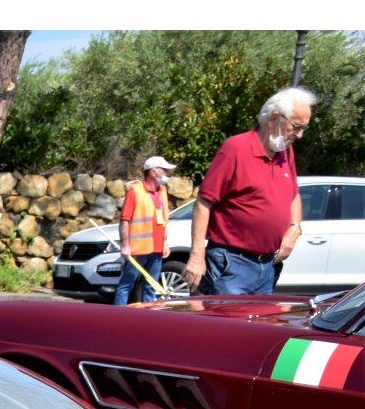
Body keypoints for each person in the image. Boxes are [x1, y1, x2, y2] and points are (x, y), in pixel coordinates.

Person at [183, 87, 316, 295]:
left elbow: (293, 194)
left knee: (256, 327)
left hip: (268, 265)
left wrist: (295, 228)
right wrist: (197, 256)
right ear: (274, 118)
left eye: (304, 128)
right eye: (296, 127)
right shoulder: (236, 149)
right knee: (227, 327)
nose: (299, 135)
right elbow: (203, 203)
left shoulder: (285, 152)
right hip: (232, 263)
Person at [114, 155, 175, 304]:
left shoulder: (162, 191)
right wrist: (125, 245)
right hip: (138, 249)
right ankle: (116, 316)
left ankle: (148, 319)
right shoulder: (135, 191)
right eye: (164, 170)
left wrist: (165, 242)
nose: (167, 173)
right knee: (127, 284)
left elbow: (164, 220)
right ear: (153, 172)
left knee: (151, 286)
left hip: (157, 248)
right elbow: (125, 220)